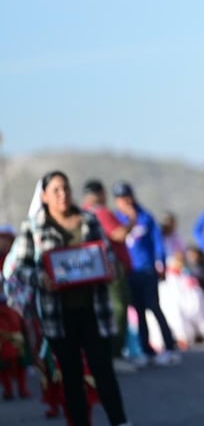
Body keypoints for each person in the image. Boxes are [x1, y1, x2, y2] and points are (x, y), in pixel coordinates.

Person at [3, 171, 130, 425]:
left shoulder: (89, 220)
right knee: (70, 376)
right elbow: (18, 268)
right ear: (44, 196)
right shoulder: (33, 227)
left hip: (94, 310)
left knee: (103, 370)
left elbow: (107, 254)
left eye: (66, 188)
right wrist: (42, 278)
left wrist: (111, 267)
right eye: (56, 190)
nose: (63, 194)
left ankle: (120, 421)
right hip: (58, 315)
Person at [112, 181, 179, 367]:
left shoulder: (145, 217)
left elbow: (158, 242)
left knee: (154, 307)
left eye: (127, 197)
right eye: (120, 198)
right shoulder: (116, 220)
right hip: (129, 273)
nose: (125, 201)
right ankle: (146, 350)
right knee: (138, 311)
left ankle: (170, 346)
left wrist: (161, 264)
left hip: (147, 270)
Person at [81, 179, 136, 372]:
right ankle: (114, 355)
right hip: (111, 269)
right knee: (118, 309)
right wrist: (131, 219)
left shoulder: (83, 213)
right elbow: (118, 234)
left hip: (96, 270)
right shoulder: (100, 212)